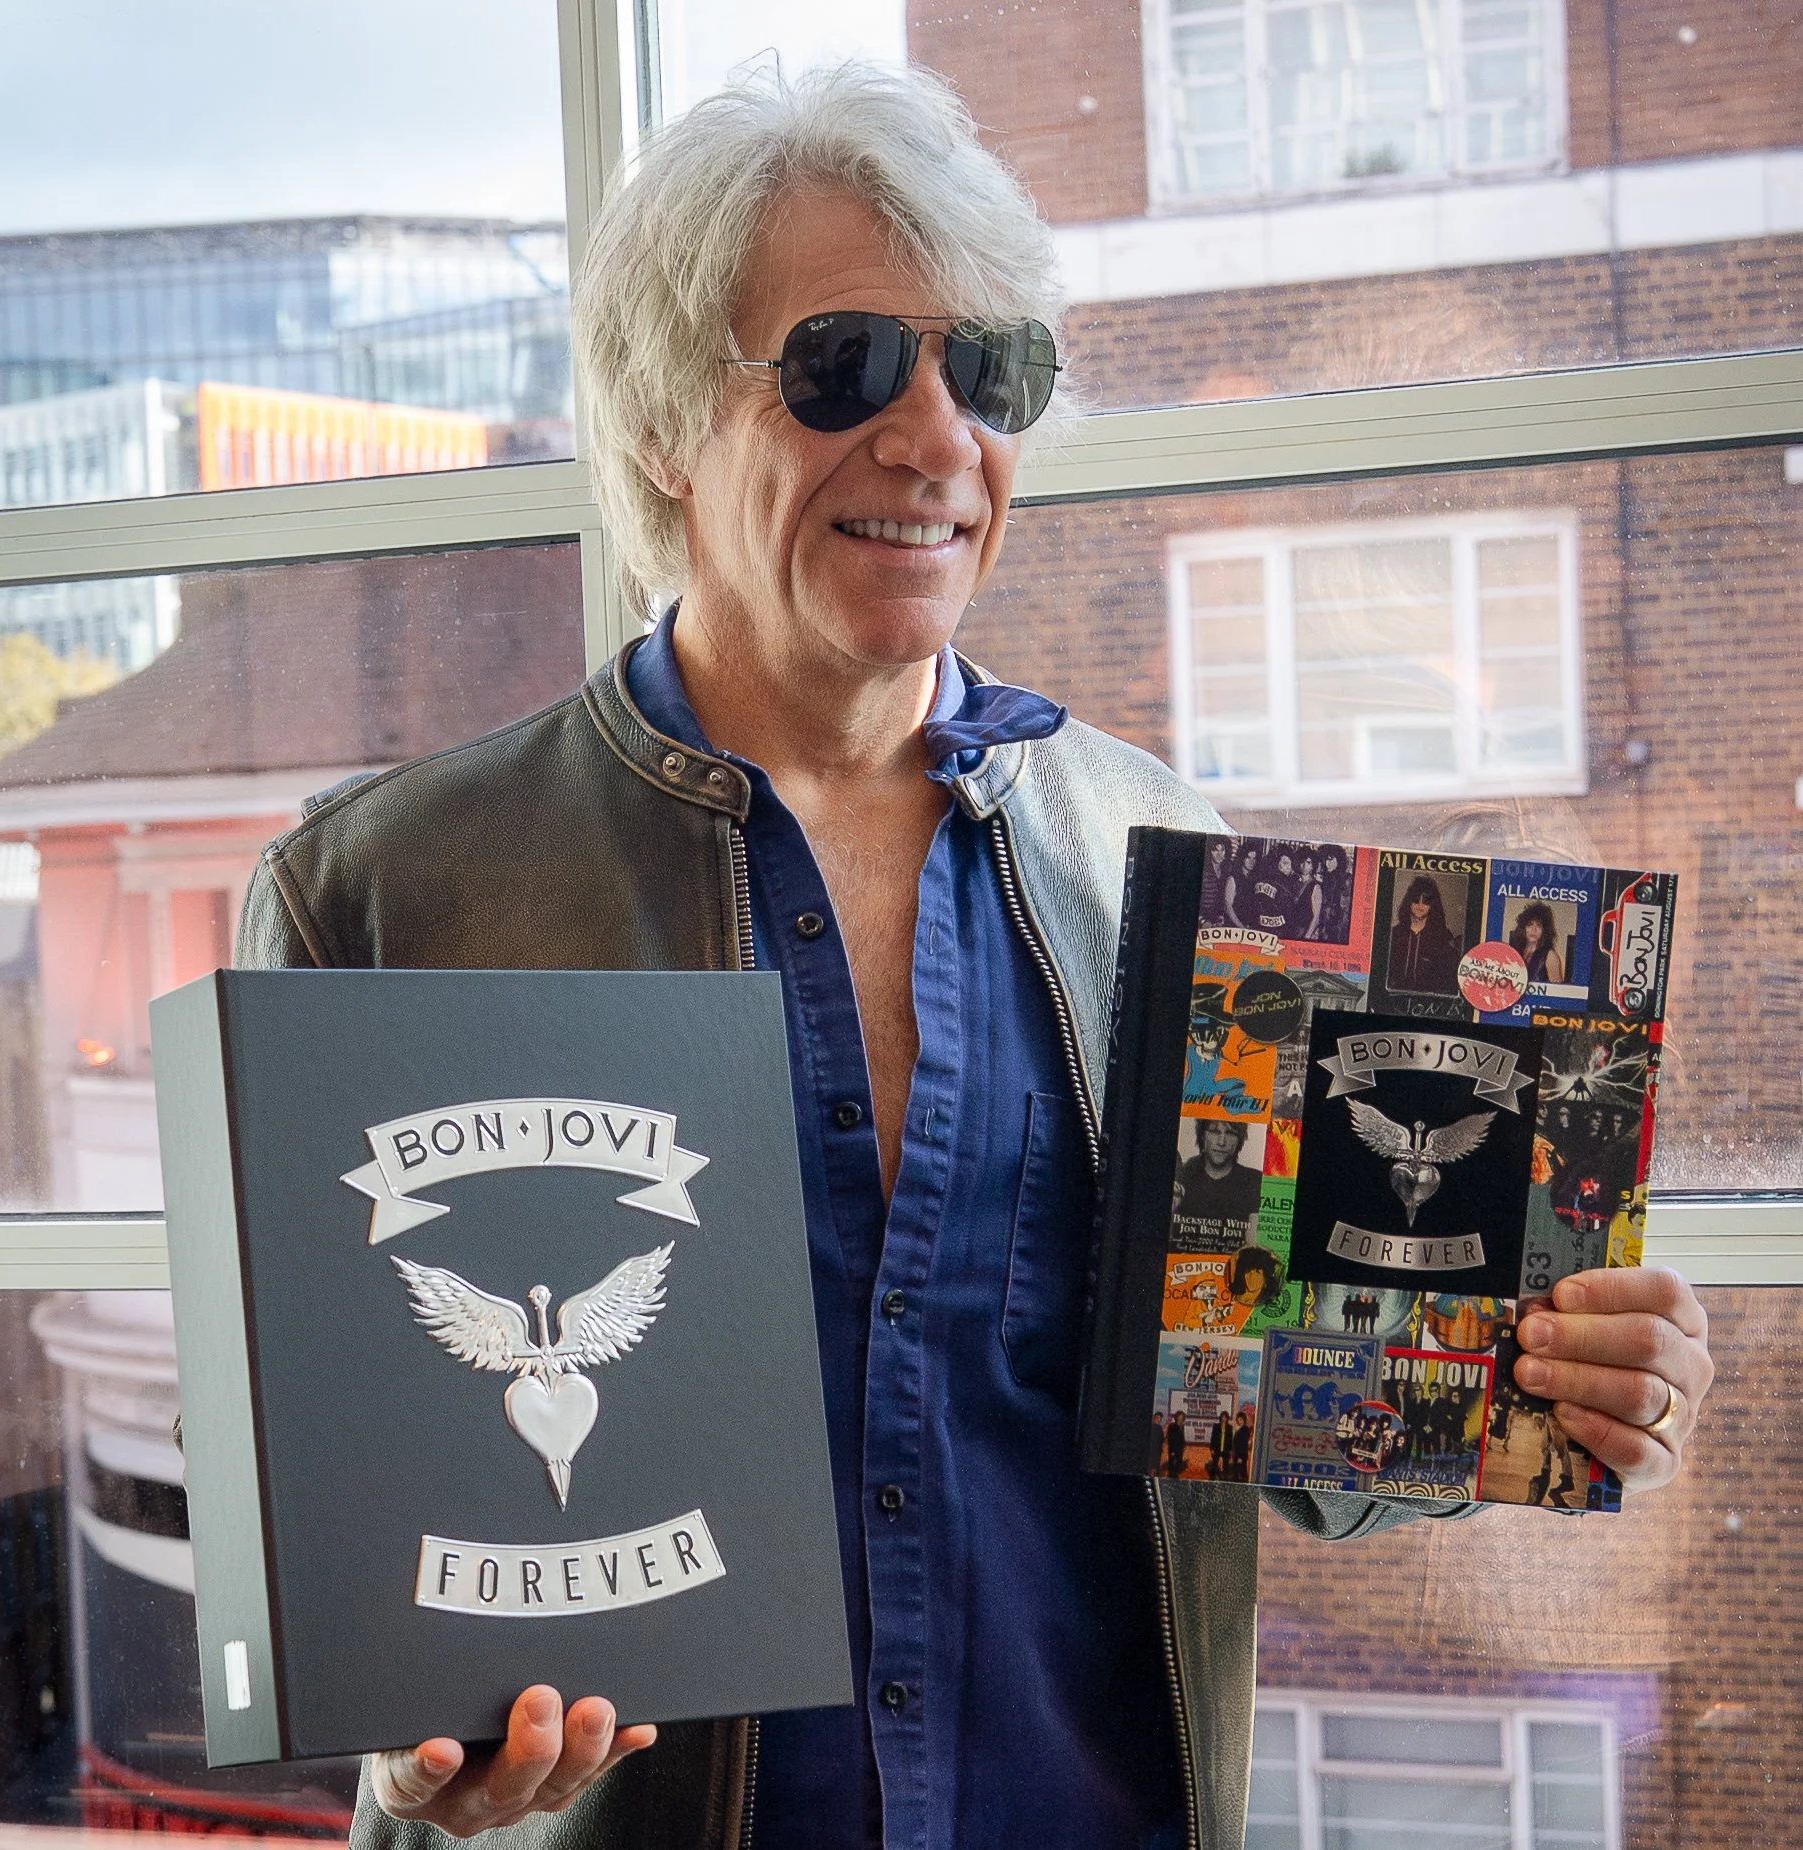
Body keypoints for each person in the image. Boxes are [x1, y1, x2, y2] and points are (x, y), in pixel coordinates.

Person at [235, 64, 1714, 1850]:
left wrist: (1551, 1380)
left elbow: (1317, 1450)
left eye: (991, 371)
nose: (937, 438)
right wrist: (412, 1752)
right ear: (661, 421)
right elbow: (344, 1544)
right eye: (846, 363)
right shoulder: (378, 895)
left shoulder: (1181, 873)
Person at [1173, 1118, 1264, 1249]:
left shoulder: (1255, 1181)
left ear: (1239, 1140)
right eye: (1214, 1132)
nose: (1221, 1142)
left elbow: (1255, 1246)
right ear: (1202, 1136)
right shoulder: (1183, 1176)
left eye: (1230, 1133)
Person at [1385, 872, 1462, 995]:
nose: (1420, 905)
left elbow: (1449, 980)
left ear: (1432, 904)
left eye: (1426, 901)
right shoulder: (1395, 934)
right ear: (1409, 901)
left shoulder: (1443, 936)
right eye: (1416, 899)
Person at [1509, 900, 1565, 984]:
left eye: (1538, 926)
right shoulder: (1514, 951)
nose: (1533, 929)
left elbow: (1557, 990)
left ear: (1544, 931)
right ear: (1523, 928)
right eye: (1530, 925)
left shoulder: (1550, 956)